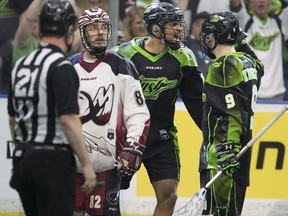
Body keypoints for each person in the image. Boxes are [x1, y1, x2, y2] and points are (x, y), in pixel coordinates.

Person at [113, 2, 204, 215]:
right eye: (173, 24)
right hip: (125, 139)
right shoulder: (123, 54)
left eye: (179, 24)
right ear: (155, 27)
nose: (180, 29)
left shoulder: (184, 56)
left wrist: (214, 134)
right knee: (110, 195)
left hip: (162, 139)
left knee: (169, 196)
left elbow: (197, 103)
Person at [7, 1, 96, 215]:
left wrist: (25, 149)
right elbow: (68, 119)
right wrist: (86, 164)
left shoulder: (21, 64)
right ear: (68, 30)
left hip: (23, 160)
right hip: (52, 162)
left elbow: (12, 118)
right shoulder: (62, 66)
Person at [69, 7, 150, 216]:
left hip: (107, 165)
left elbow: (138, 113)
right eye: (93, 28)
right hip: (70, 165)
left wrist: (133, 145)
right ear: (83, 32)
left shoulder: (122, 66)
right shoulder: (68, 67)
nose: (100, 33)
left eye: (104, 27)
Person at [198, 12, 264, 215]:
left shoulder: (223, 65)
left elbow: (232, 112)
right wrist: (241, 41)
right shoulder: (248, 63)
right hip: (240, 159)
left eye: (206, 34)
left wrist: (227, 149)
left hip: (222, 159)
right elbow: (260, 66)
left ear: (212, 37)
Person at [230, 0, 288, 100]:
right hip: (250, 93)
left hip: (277, 93)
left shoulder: (280, 21)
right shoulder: (244, 20)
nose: (261, 1)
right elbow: (235, 4)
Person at [186, 11, 212, 77]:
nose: (201, 30)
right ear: (192, 27)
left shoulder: (216, 49)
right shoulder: (186, 44)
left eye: (205, 26)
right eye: (198, 25)